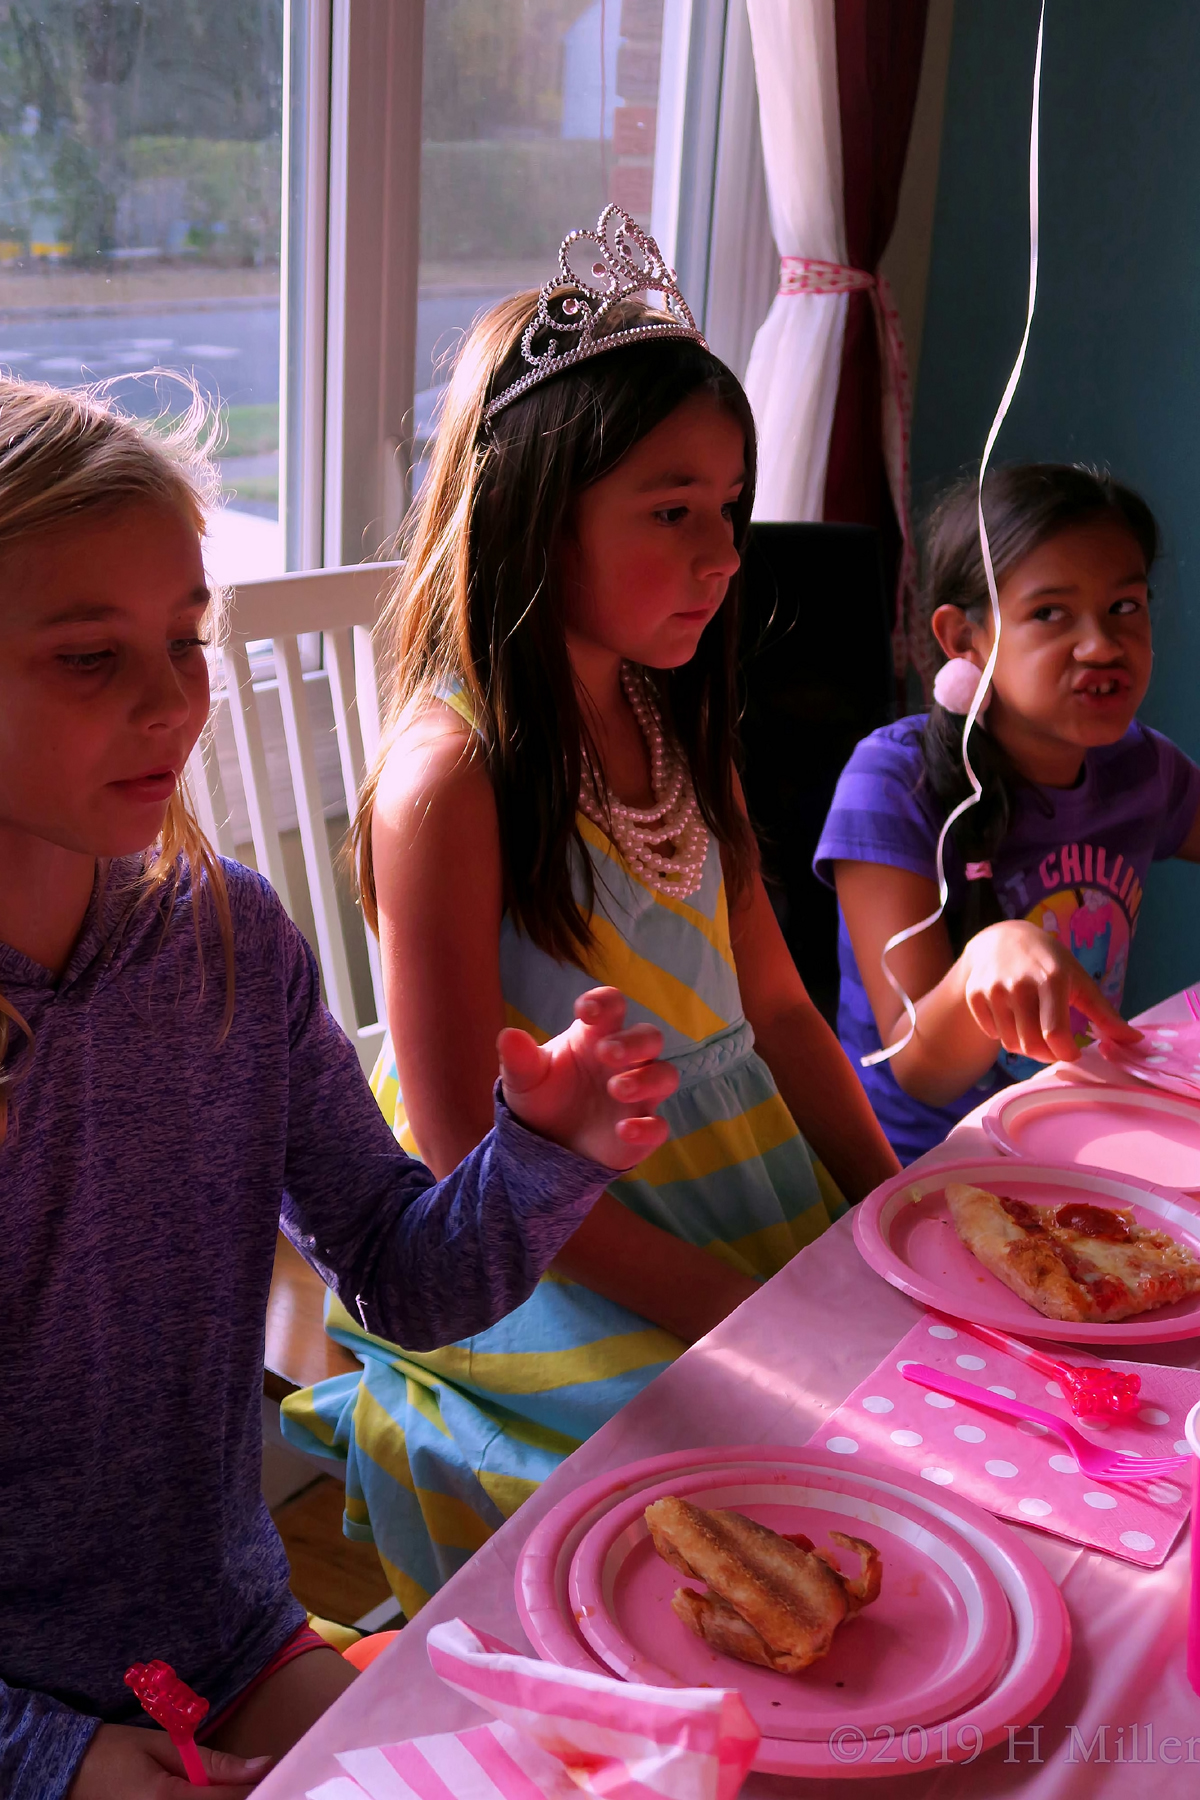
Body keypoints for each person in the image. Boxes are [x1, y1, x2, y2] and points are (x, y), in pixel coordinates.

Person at [0, 375, 679, 1800]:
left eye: (187, 639)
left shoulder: (226, 941)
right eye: (87, 657)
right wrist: (56, 1758)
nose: (172, 698)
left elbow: (398, 1274)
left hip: (222, 1635)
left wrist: (541, 1153)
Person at [280, 209, 899, 1614]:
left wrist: (886, 1209)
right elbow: (451, 1148)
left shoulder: (669, 713)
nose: (725, 553)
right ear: (532, 505)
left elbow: (786, 1010)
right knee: (766, 1507)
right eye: (671, 509)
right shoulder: (453, 779)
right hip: (548, 1239)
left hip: (735, 1178)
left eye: (729, 509)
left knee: (914, 1411)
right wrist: (743, 1319)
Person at [815, 462, 1200, 1165]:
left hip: (1078, 1139)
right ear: (965, 640)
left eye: (1125, 607)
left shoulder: (1146, 768)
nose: (1102, 645)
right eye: (1050, 613)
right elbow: (920, 1072)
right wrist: (982, 964)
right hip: (919, 1171)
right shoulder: (890, 782)